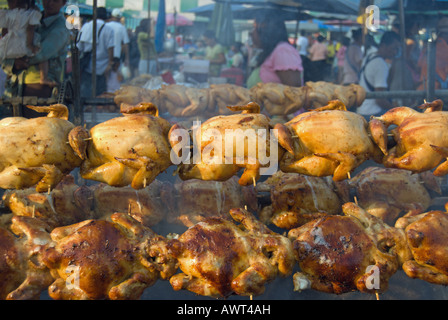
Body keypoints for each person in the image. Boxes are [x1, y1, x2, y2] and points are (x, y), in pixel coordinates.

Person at [1, 0, 70, 117]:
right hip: (18, 84)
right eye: (46, 0)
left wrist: (16, 61)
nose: (50, 3)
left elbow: (42, 53)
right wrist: (12, 62)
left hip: (40, 87)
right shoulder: (34, 16)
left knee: (36, 128)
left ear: (63, 3)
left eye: (55, 1)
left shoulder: (61, 28)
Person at [0, 0, 56, 88]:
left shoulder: (7, 14)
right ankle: (43, 77)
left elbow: (4, 32)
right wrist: (30, 45)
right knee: (43, 57)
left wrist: (7, 42)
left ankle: (10, 74)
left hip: (10, 46)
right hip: (24, 44)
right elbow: (30, 30)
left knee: (10, 62)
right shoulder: (30, 14)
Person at [246, 14, 303, 88]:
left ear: (264, 30)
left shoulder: (283, 51)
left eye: (254, 27)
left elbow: (294, 92)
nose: (251, 33)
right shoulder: (271, 52)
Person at [357, 31, 401, 118]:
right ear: (384, 46)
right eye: (394, 48)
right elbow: (380, 100)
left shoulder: (369, 56)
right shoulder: (380, 65)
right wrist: (396, 109)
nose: (395, 52)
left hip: (361, 109)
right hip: (373, 112)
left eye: (397, 49)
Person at [77, 7, 115, 98]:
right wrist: (110, 64)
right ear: (106, 17)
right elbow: (111, 48)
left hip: (86, 67)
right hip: (102, 69)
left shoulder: (86, 26)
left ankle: (85, 111)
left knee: (85, 95)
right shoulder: (109, 29)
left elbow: (78, 48)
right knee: (100, 96)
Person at [418, 16, 448, 91]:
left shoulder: (430, 47)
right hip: (435, 89)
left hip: (424, 88)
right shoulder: (443, 48)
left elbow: (419, 65)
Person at [106, 8, 130, 92]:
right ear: (120, 18)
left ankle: (107, 92)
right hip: (117, 56)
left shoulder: (107, 25)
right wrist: (126, 58)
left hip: (106, 56)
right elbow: (126, 44)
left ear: (112, 16)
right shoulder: (122, 28)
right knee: (115, 77)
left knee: (107, 77)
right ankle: (113, 93)